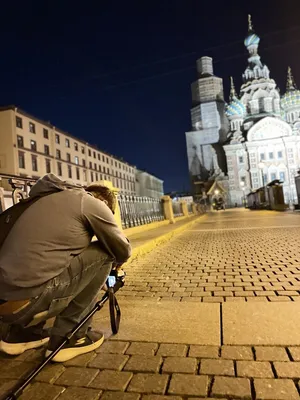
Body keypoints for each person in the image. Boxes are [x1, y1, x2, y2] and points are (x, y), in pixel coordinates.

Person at [0, 174, 131, 362]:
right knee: (106, 252)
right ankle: (71, 336)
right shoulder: (92, 203)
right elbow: (123, 250)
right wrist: (111, 268)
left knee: (45, 260)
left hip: (5, 306)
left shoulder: (49, 199)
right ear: (105, 205)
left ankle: (20, 335)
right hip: (28, 302)